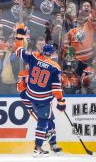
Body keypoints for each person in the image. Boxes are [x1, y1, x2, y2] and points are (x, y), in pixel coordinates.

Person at [14, 23, 66, 157]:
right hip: (41, 101)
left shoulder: (34, 57)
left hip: (31, 96)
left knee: (50, 119)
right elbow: (56, 88)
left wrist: (19, 36)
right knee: (44, 122)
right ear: (53, 54)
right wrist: (60, 101)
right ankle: (38, 147)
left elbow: (18, 50)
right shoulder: (55, 67)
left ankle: (53, 143)